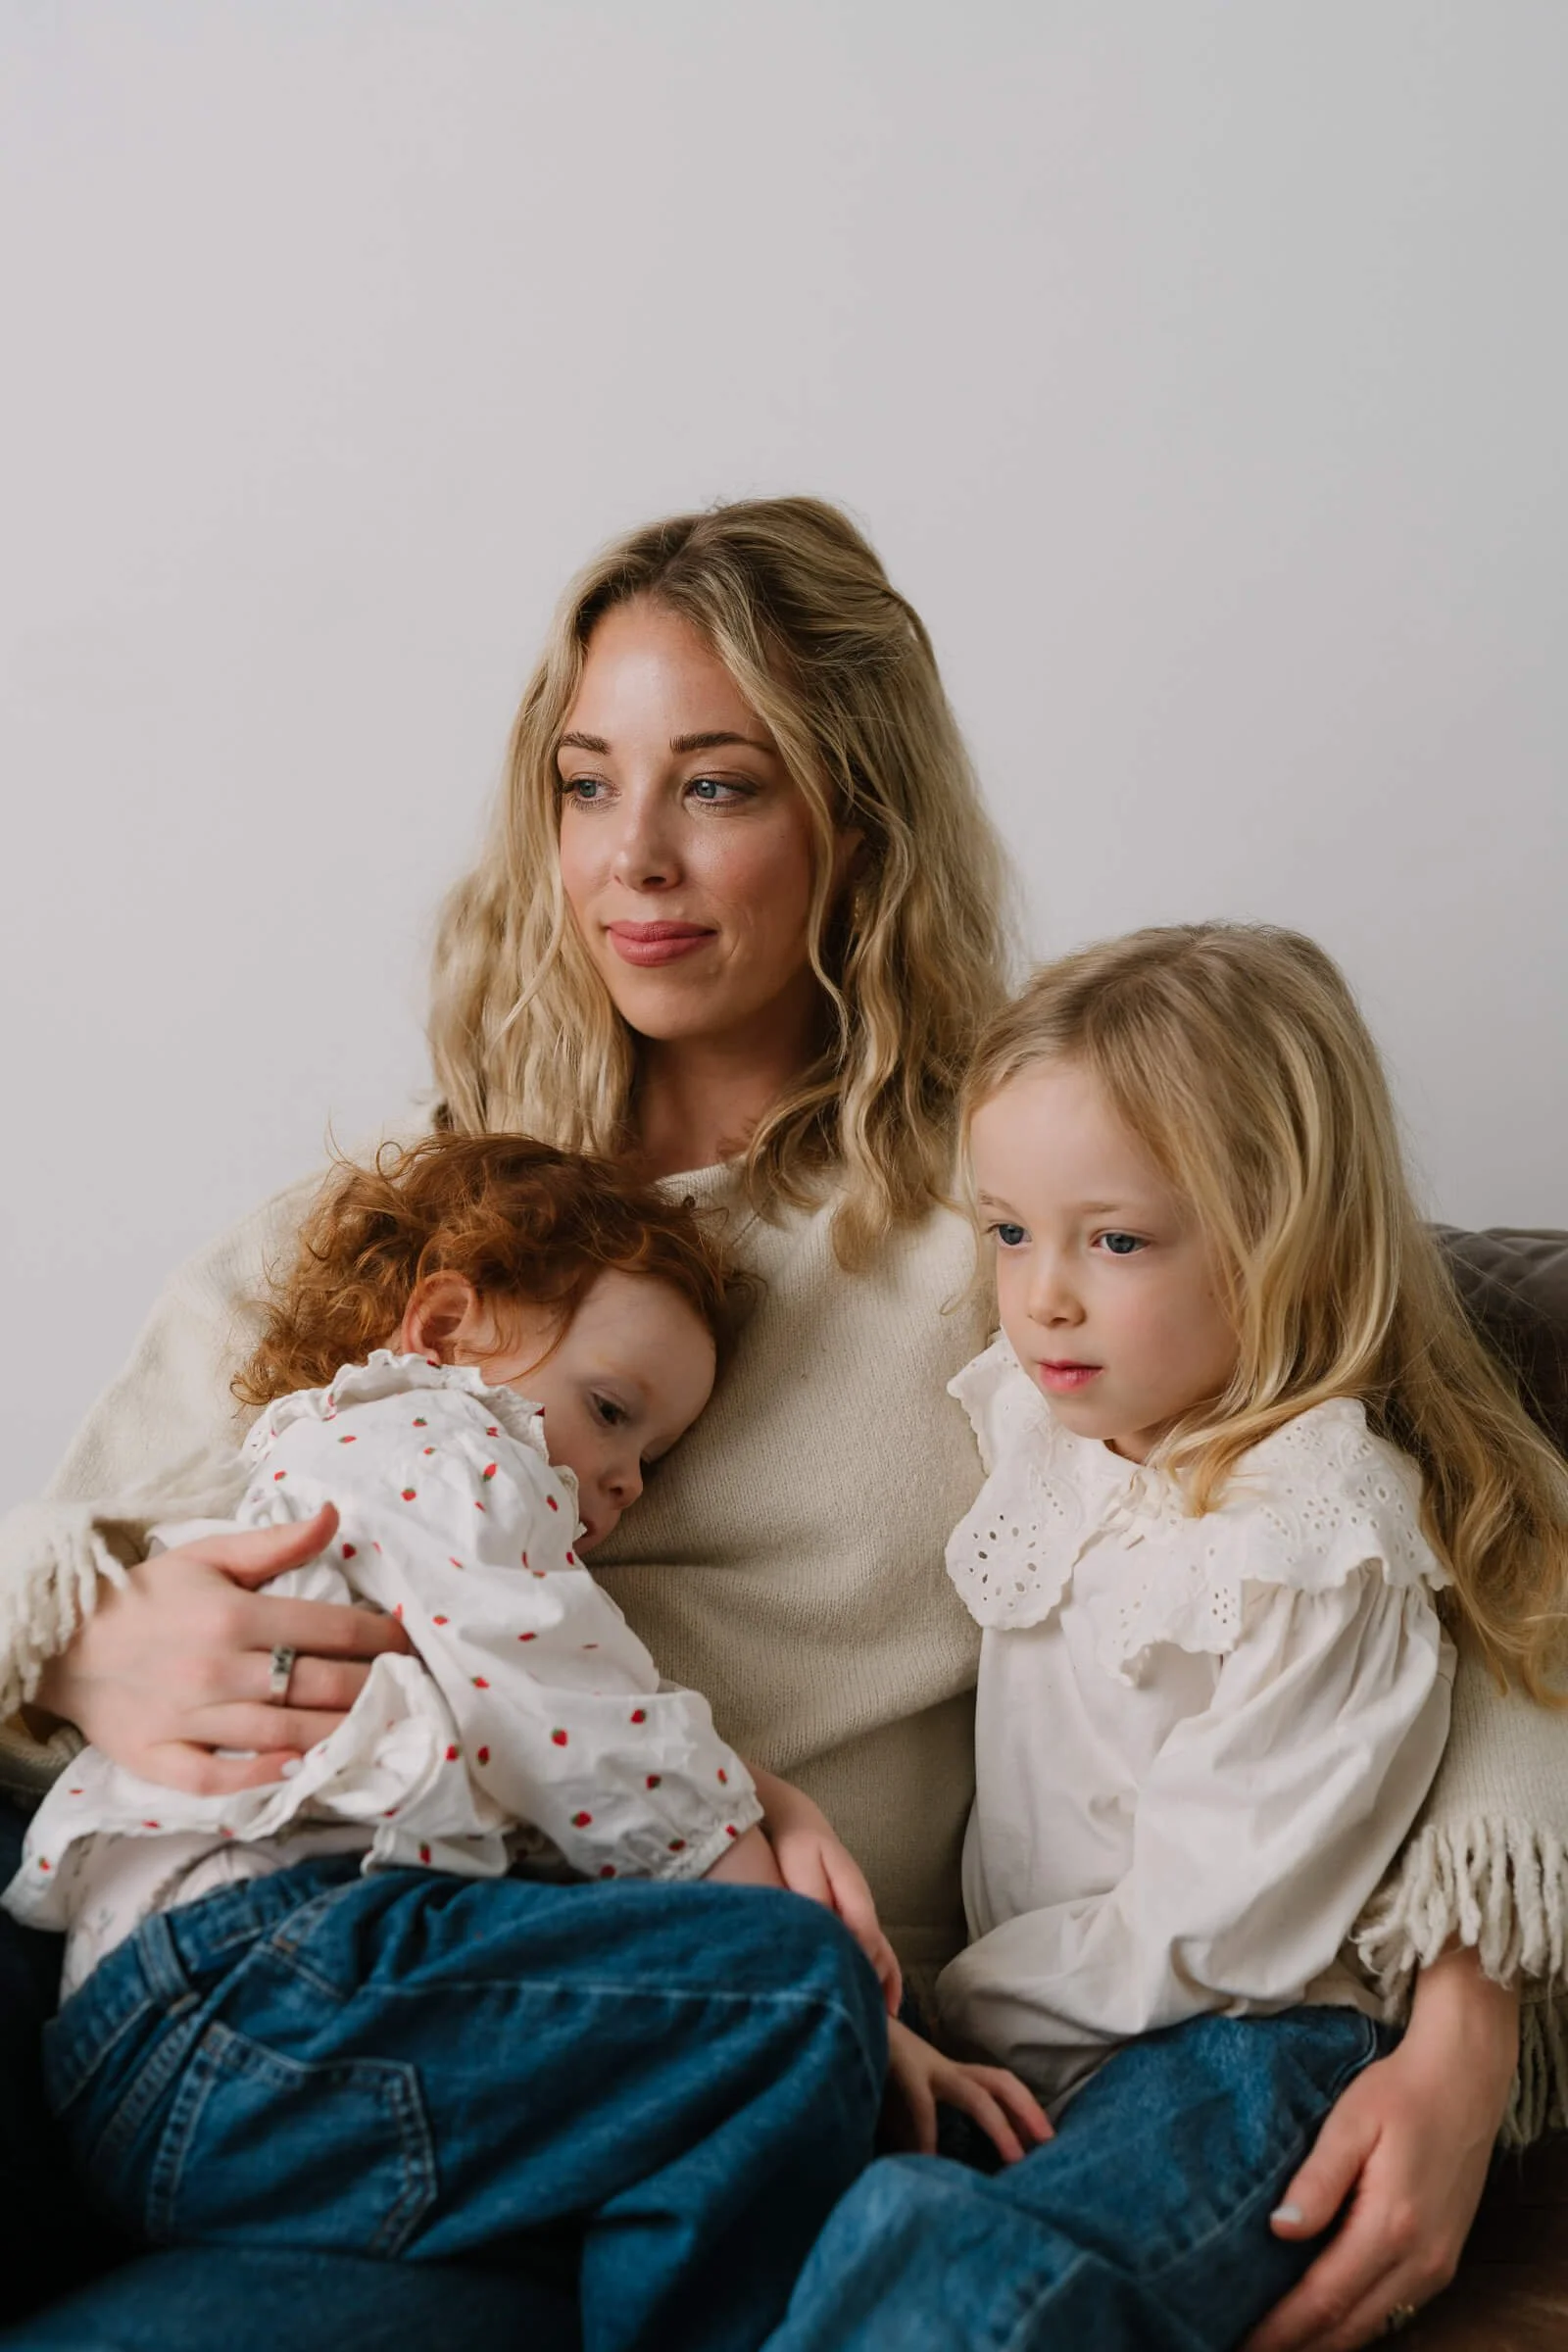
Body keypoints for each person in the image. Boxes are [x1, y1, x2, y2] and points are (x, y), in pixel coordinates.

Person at [0, 500, 1560, 2352]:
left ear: (860, 820)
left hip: (742, 2077)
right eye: (587, 786)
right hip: (322, 1984)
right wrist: (86, 1647)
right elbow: (70, 1556)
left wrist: (1469, 2034)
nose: (634, 860)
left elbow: (1454, 1541)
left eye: (719, 788)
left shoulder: (1023, 1212)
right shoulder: (426, 1219)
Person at [765, 923, 1568, 2351]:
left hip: (1243, 2049)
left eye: (1115, 1240)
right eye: (1009, 1231)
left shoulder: (1318, 1546)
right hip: (1069, 2034)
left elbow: (1225, 1925)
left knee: (961, 2272)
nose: (1040, 1295)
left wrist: (962, 2007)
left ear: (1283, 1241)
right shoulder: (1058, 1425)